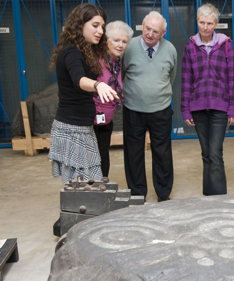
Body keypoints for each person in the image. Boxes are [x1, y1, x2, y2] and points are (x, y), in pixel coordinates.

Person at [48, 3, 119, 184]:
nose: (100, 31)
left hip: (82, 126)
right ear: (80, 25)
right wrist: (98, 85)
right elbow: (79, 80)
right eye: (95, 25)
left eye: (102, 27)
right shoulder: (71, 52)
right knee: (83, 186)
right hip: (72, 128)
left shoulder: (84, 50)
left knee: (87, 184)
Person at [181, 4, 234, 196]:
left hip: (219, 107)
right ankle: (208, 197)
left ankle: (219, 198)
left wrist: (232, 108)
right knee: (206, 154)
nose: (205, 27)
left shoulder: (225, 44)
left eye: (209, 23)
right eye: (201, 22)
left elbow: (232, 77)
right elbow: (186, 79)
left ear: (216, 23)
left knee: (215, 153)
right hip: (198, 108)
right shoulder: (190, 46)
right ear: (197, 22)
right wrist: (186, 109)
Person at [122, 11, 177, 202]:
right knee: (134, 153)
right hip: (133, 109)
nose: (150, 34)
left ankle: (163, 193)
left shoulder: (170, 49)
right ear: (142, 27)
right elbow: (121, 74)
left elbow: (171, 76)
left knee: (162, 153)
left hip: (160, 109)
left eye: (156, 31)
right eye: (147, 28)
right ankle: (137, 193)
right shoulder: (128, 47)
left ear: (162, 34)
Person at [93, 20, 133, 178]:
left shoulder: (117, 63)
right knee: (91, 159)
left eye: (124, 41)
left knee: (103, 157)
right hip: (90, 120)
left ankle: (101, 189)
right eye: (116, 40)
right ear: (106, 41)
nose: (120, 45)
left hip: (106, 120)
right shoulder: (96, 60)